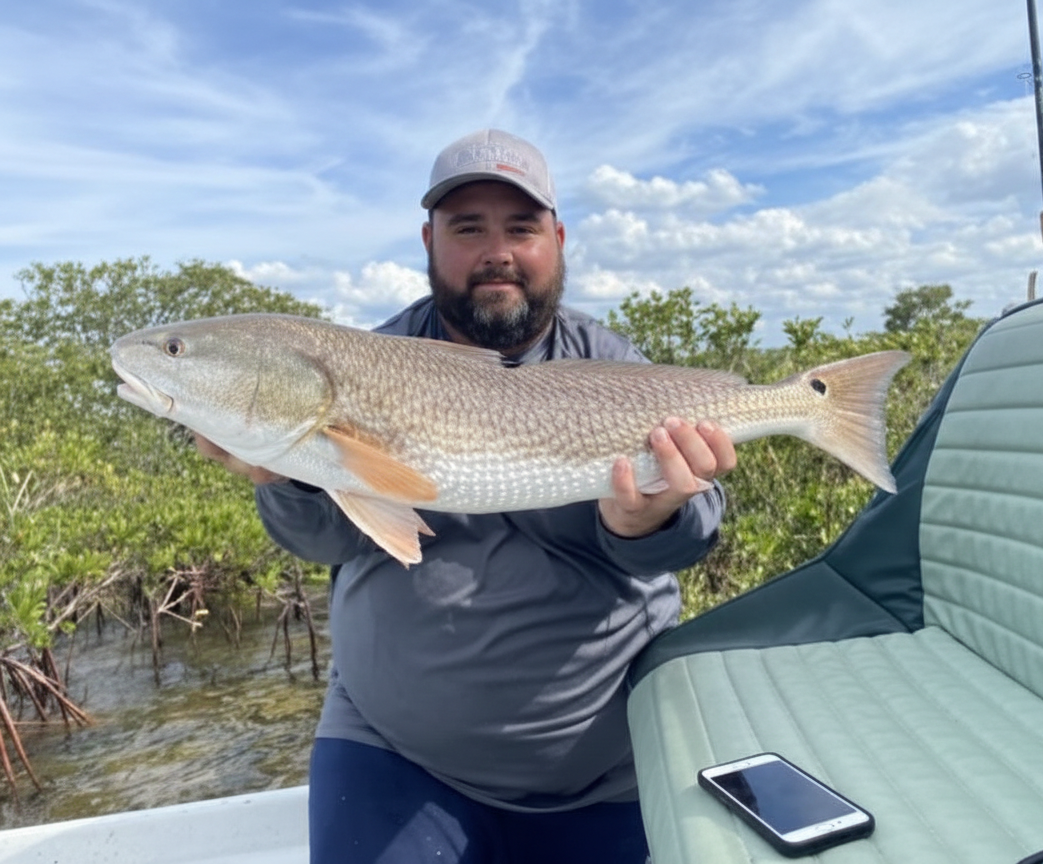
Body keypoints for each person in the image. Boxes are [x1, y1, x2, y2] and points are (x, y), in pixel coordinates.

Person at [197, 128, 734, 864]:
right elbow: (328, 540)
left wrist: (651, 520)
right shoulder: (368, 360)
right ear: (429, 239)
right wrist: (288, 477)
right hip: (394, 754)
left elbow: (693, 539)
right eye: (468, 227)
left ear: (558, 238)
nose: (497, 252)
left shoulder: (610, 365)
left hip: (613, 765)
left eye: (520, 227)